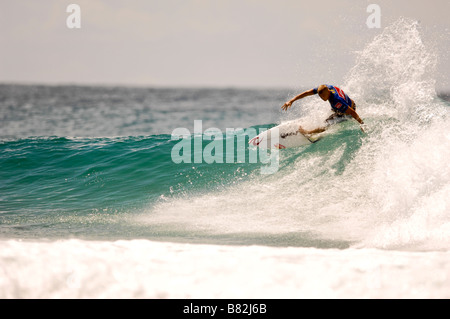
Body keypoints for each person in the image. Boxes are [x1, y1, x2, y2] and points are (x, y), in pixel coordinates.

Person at [282, 84, 366, 134]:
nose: (322, 98)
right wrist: (292, 100)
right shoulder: (324, 88)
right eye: (320, 96)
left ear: (328, 92)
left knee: (326, 124)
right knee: (331, 113)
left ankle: (308, 133)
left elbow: (352, 112)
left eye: (323, 96)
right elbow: (307, 93)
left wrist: (361, 124)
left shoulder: (337, 101)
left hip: (347, 111)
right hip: (346, 104)